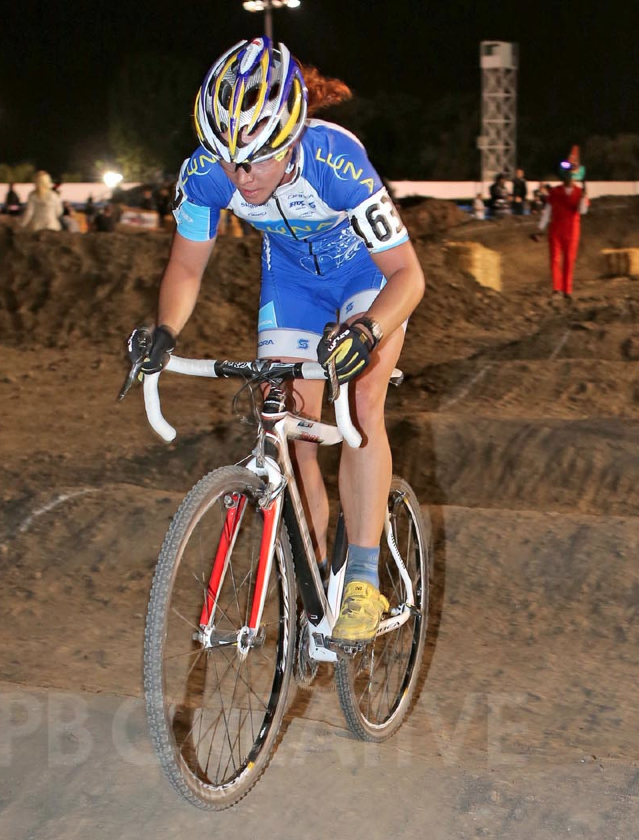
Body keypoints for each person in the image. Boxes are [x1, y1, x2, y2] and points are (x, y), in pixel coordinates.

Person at [136, 36, 425, 642]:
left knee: (362, 406)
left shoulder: (337, 162)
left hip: (365, 282)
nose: (241, 179)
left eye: (257, 161)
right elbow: (186, 268)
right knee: (286, 433)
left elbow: (408, 275)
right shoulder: (206, 174)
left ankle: (365, 583)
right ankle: (319, 583)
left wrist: (368, 329)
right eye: (229, 160)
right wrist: (164, 331)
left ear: (292, 138)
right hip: (291, 285)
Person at [536, 160, 589, 299]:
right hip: (556, 230)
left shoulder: (579, 192)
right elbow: (547, 211)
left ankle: (567, 290)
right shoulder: (555, 192)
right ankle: (557, 289)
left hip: (572, 231)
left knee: (569, 261)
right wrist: (540, 228)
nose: (568, 178)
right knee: (554, 260)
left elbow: (582, 211)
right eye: (566, 175)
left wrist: (583, 198)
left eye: (570, 176)